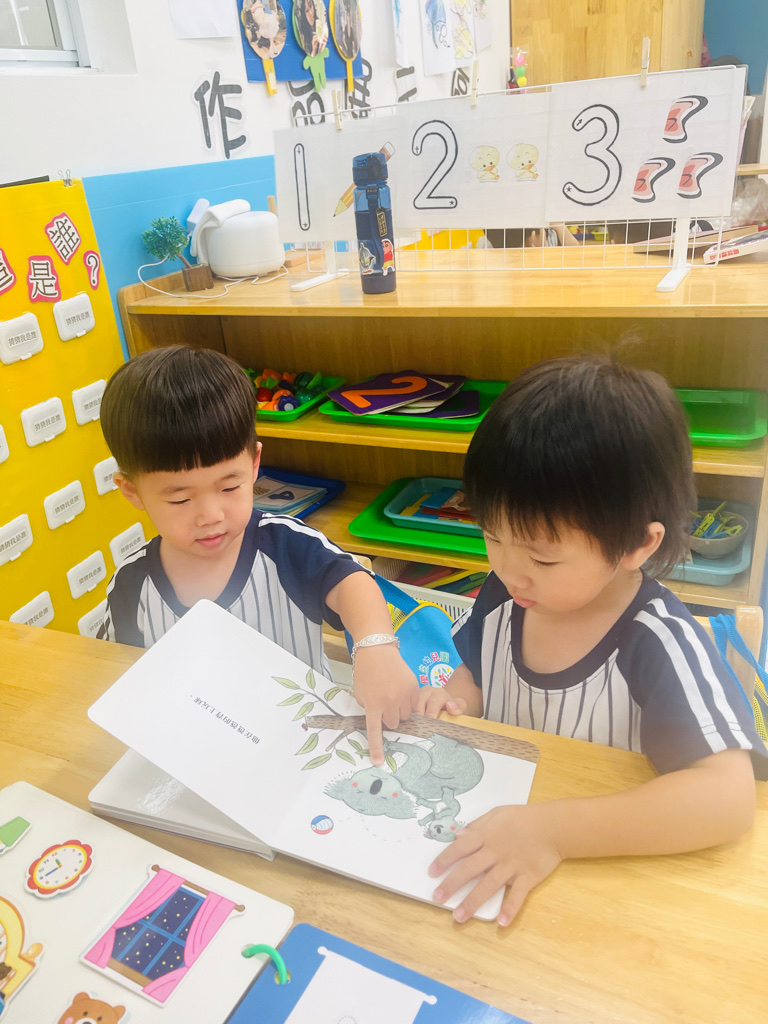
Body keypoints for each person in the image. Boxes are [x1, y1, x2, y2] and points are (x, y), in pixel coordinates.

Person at [415, 355, 767, 925]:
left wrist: (553, 831)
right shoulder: (505, 594)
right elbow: (477, 672)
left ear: (637, 545)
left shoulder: (658, 639)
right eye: (492, 536)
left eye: (543, 558)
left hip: (602, 882)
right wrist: (454, 703)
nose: (509, 571)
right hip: (503, 859)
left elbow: (728, 798)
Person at [97, 346, 416, 764]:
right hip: (195, 755)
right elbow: (119, 674)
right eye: (180, 499)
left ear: (253, 465)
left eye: (229, 487)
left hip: (303, 747)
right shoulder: (130, 584)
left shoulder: (283, 545)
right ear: (132, 491)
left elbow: (352, 582)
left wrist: (375, 646)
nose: (211, 516)